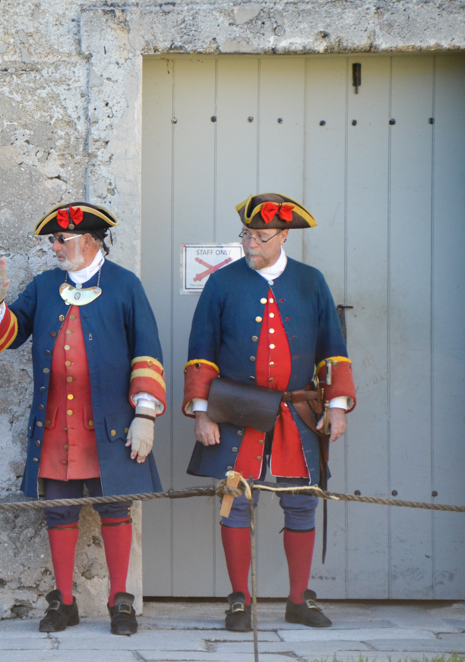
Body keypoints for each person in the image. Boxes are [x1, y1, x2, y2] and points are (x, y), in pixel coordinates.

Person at [0, 202, 166, 636]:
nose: (55, 248)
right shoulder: (44, 286)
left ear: (91, 240)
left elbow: (148, 351)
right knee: (59, 511)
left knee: (116, 510)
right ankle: (64, 601)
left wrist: (145, 415)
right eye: (54, 240)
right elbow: (5, 338)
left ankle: (121, 602)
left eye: (62, 240)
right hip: (58, 422)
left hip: (112, 422)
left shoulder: (125, 285)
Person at [183, 193, 356, 632]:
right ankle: (239, 601)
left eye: (260, 237)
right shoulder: (222, 284)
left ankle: (298, 600)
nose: (249, 245)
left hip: (297, 414)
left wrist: (336, 406)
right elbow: (201, 353)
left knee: (301, 505)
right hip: (236, 412)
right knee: (236, 502)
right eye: (246, 235)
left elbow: (332, 351)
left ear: (283, 236)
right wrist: (203, 414)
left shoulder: (311, 281)